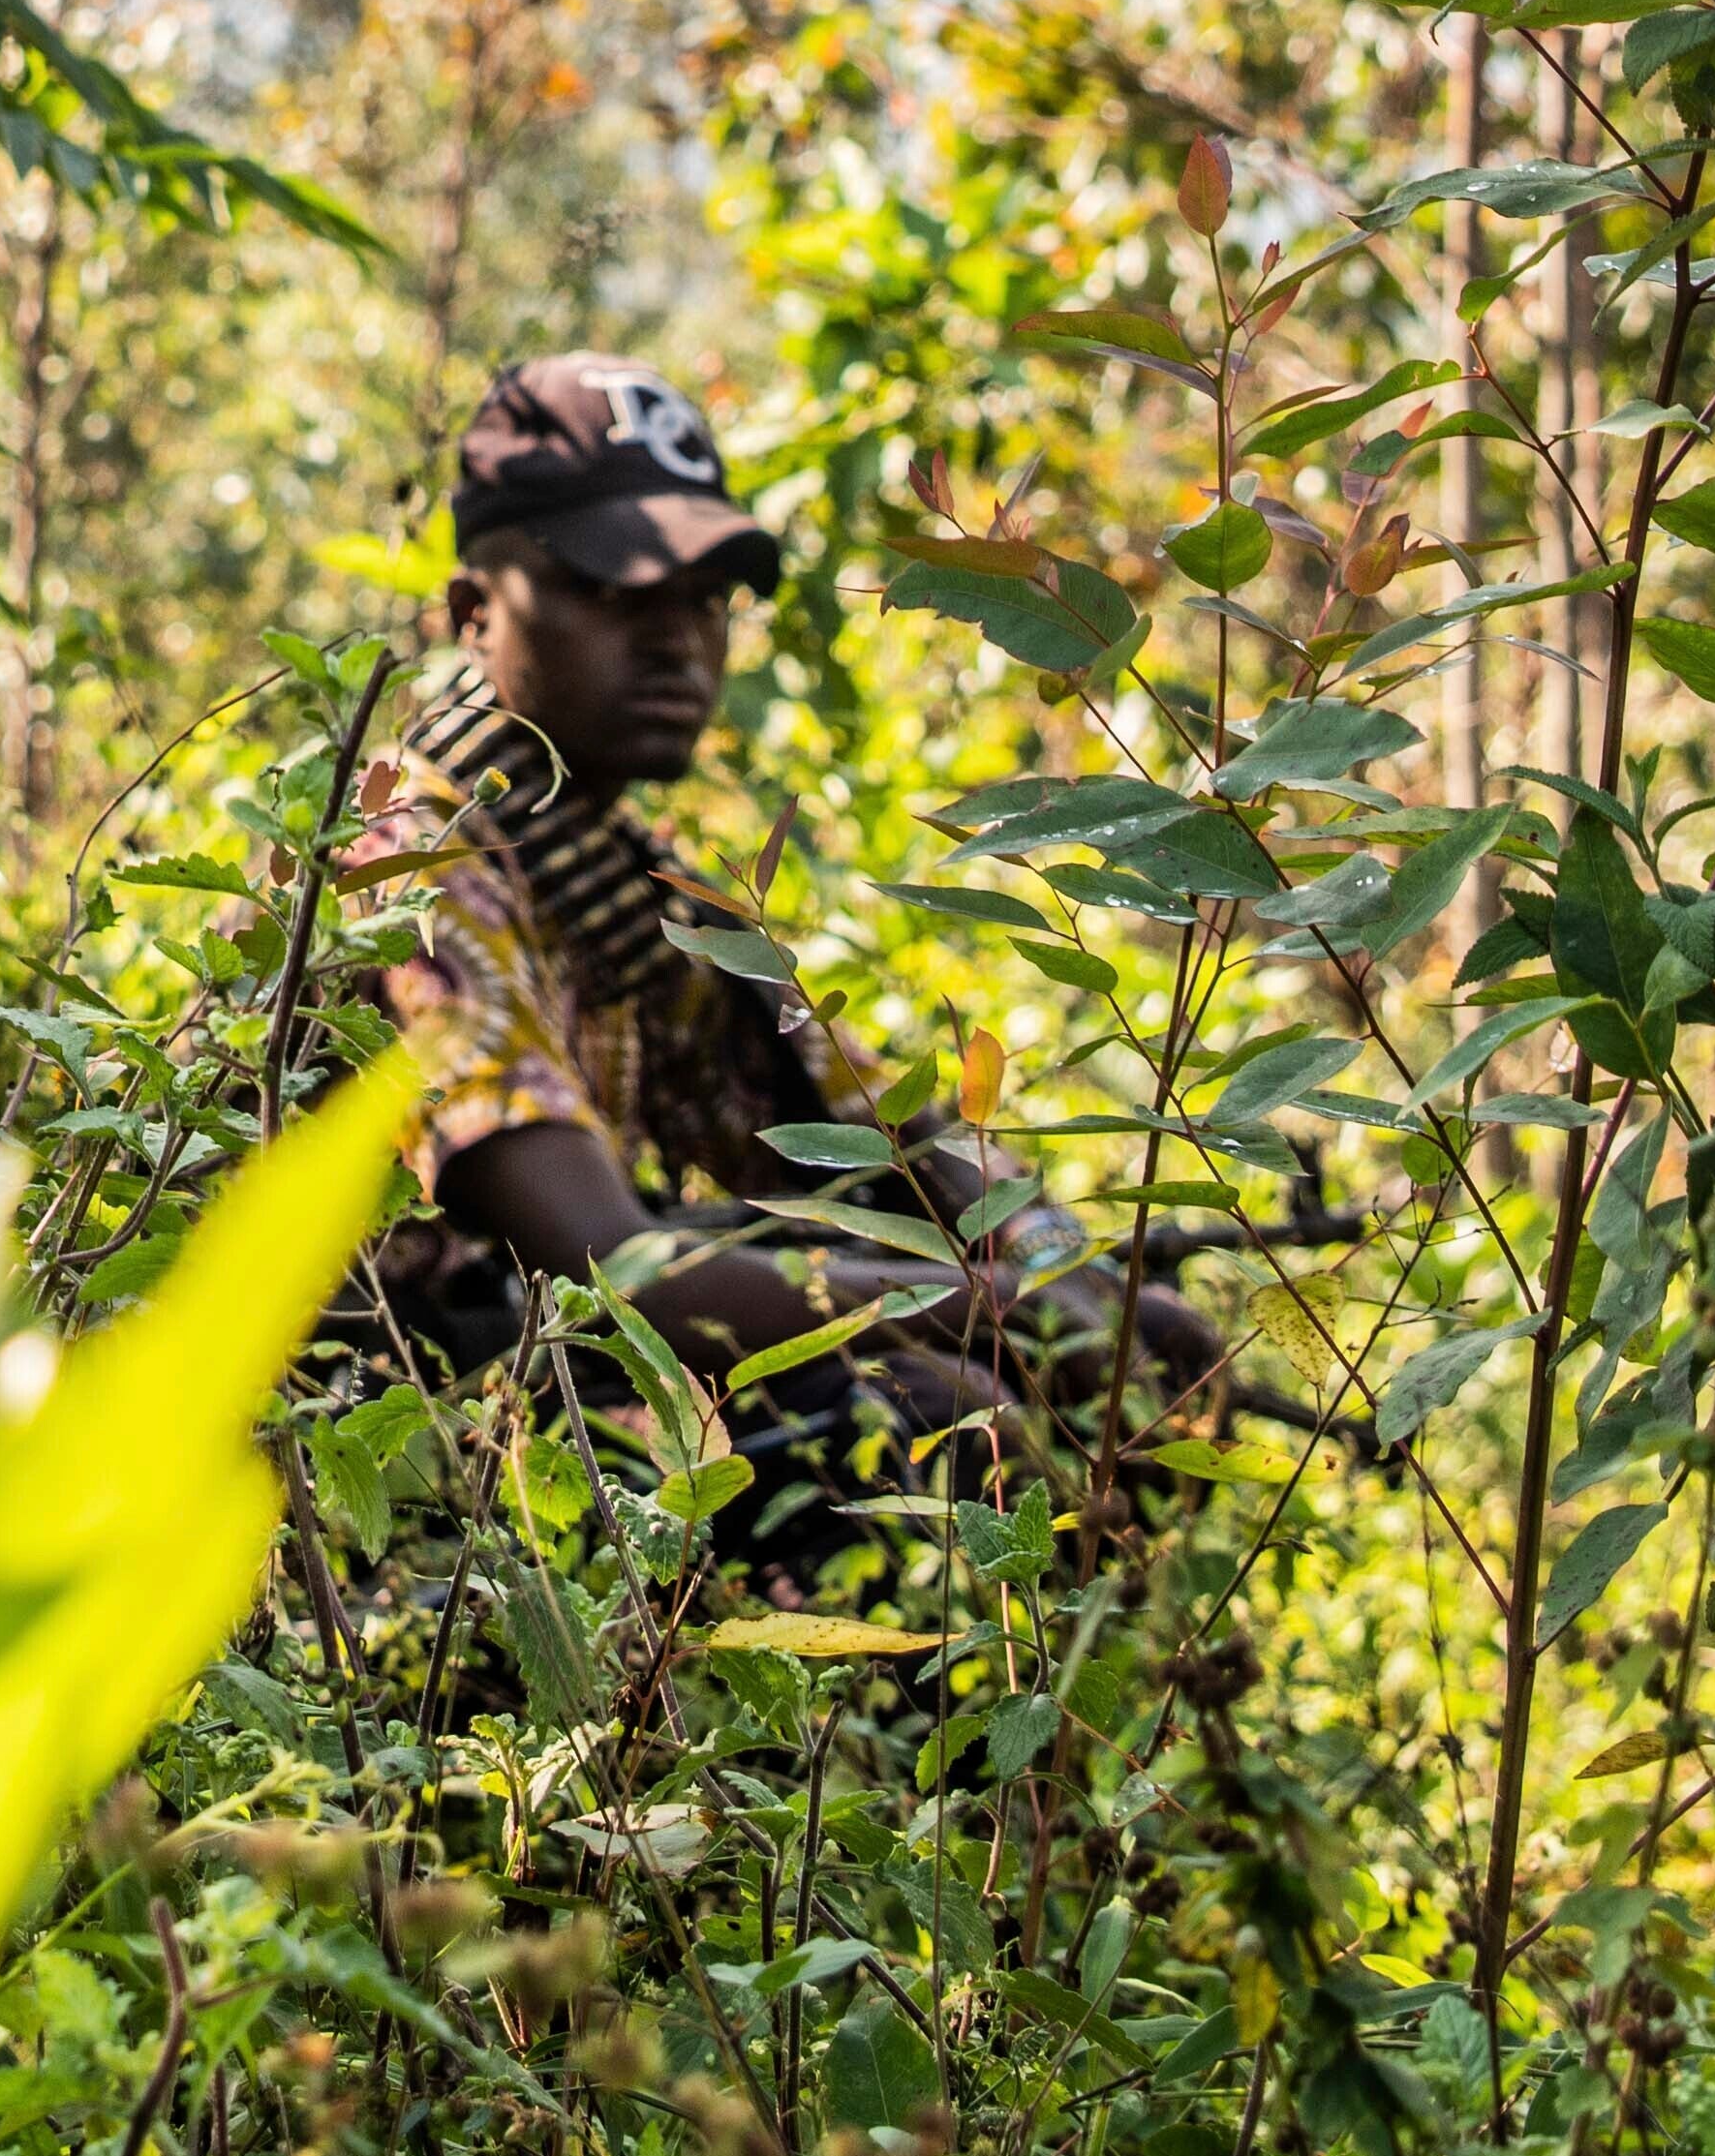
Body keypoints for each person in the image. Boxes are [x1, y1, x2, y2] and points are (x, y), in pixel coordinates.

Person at [368, 353, 1229, 1537]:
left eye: (706, 597)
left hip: (505, 1396)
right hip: (365, 1437)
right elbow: (613, 1273)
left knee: (1046, 1384)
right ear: (474, 613)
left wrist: (1068, 1271)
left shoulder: (617, 874)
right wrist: (966, 1306)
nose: (678, 639)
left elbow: (894, 1149)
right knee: (922, 1418)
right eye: (618, 588)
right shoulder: (407, 859)